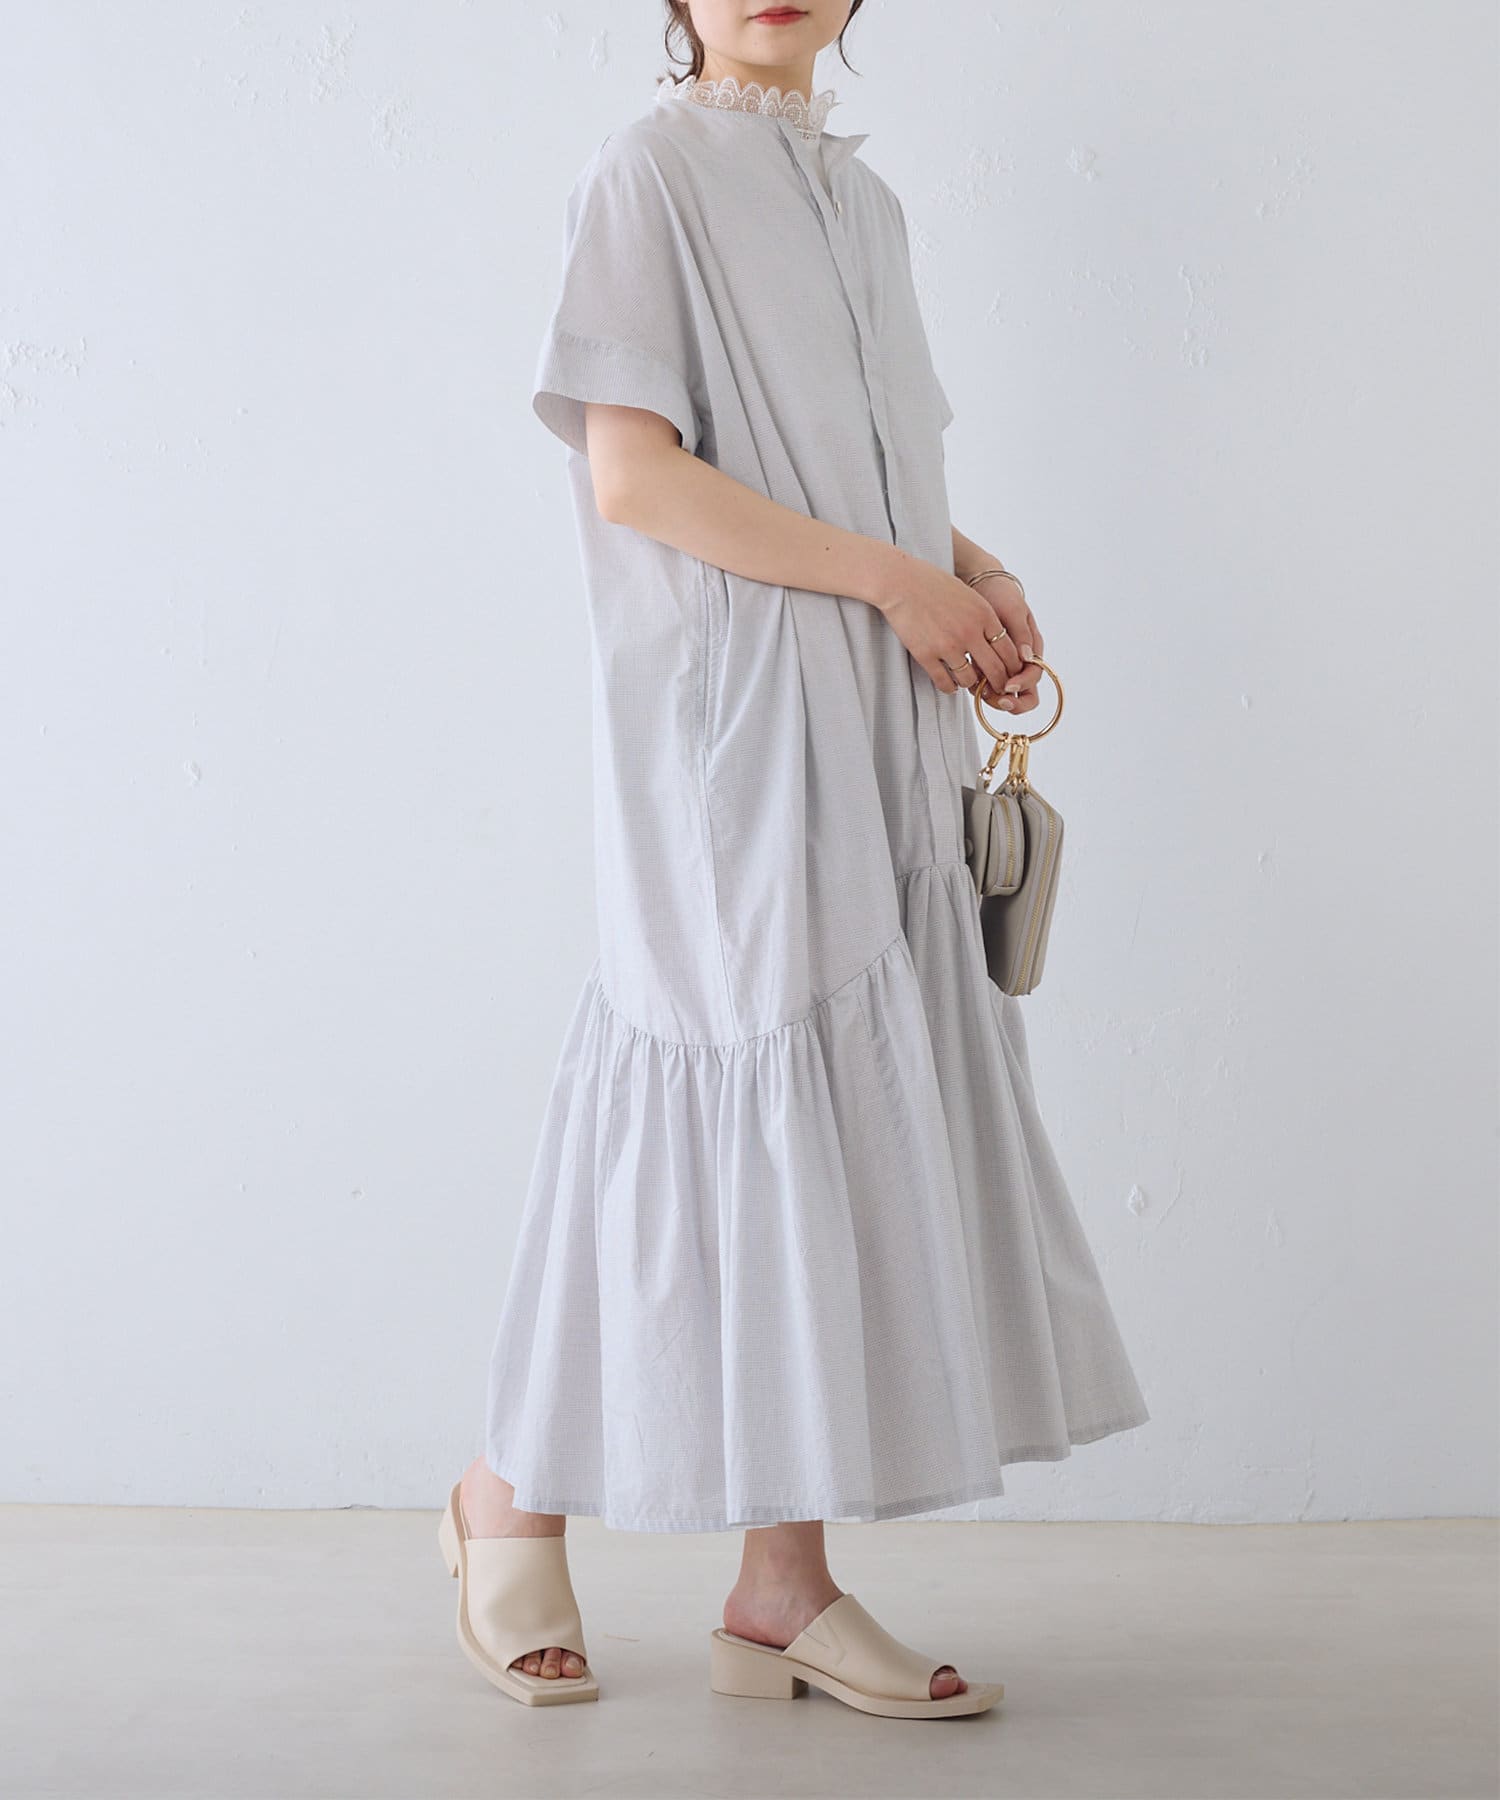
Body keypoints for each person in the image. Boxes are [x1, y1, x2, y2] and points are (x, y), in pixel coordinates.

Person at [436, 0, 1149, 1719]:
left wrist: (970, 569)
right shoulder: (646, 175)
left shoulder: (867, 206)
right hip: (731, 724)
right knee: (699, 1079)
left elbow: (862, 468)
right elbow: (635, 479)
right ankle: (505, 1494)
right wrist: (903, 584)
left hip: (874, 721)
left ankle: (781, 1590)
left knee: (819, 1121)